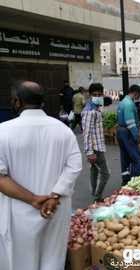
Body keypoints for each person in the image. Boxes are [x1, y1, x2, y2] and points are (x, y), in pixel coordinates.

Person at [0, 81, 82, 270]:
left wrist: (34, 199)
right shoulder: (63, 130)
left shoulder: (3, 131)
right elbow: (74, 166)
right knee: (52, 258)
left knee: (19, 261)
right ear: (42, 102)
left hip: (17, 214)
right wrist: (54, 196)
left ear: (17, 102)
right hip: (55, 209)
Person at [82, 83, 110, 201]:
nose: (97, 96)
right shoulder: (89, 111)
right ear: (90, 94)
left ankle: (94, 192)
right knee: (105, 173)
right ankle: (97, 196)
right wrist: (89, 152)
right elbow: (87, 133)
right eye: (95, 94)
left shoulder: (96, 107)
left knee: (94, 170)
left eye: (99, 94)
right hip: (95, 148)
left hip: (97, 146)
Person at [117, 85, 140, 185]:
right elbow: (131, 122)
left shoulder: (122, 102)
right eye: (139, 95)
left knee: (125, 157)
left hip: (120, 131)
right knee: (136, 157)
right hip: (127, 133)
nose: (139, 97)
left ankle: (125, 179)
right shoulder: (129, 104)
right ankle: (136, 181)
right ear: (135, 93)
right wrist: (136, 136)